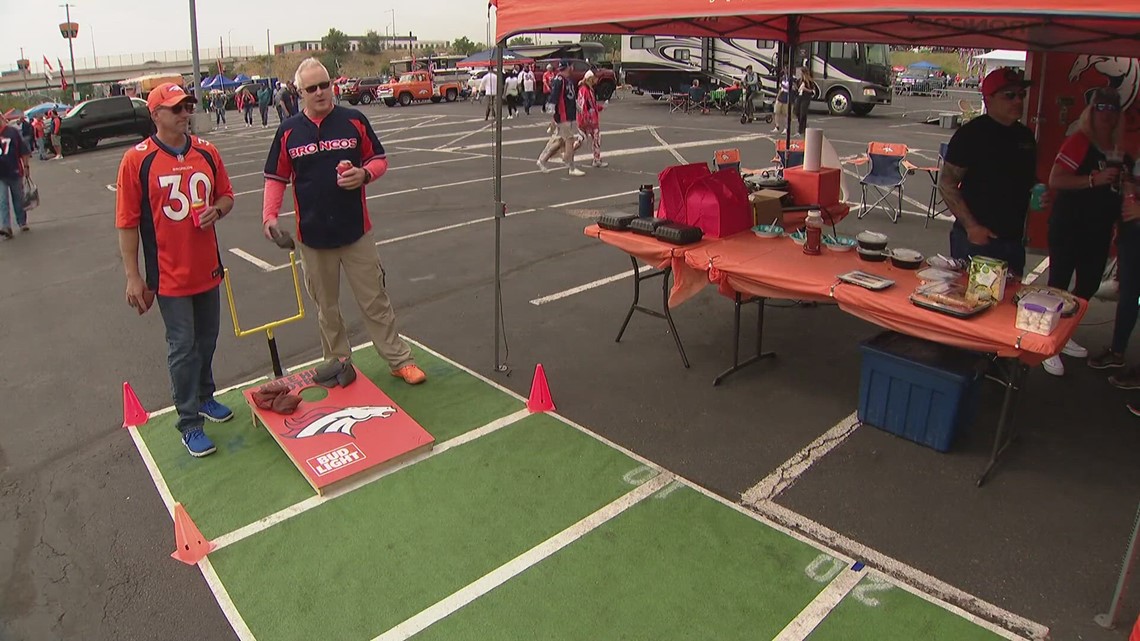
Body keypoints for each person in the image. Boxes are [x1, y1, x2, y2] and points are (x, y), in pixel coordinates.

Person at [261, 58, 426, 386]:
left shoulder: (353, 120)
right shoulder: (289, 131)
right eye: (312, 88)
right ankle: (337, 362)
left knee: (375, 300)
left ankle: (398, 359)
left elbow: (379, 159)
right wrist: (269, 216)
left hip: (355, 232)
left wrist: (365, 174)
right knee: (327, 308)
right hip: (313, 236)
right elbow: (276, 177)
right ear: (300, 92)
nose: (321, 92)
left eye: (325, 84)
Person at [115, 83, 236, 458]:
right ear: (155, 115)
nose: (184, 114)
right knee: (182, 346)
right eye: (175, 109)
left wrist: (218, 209)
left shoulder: (207, 151)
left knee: (208, 339)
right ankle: (189, 421)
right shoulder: (137, 160)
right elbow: (127, 221)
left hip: (207, 268)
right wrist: (133, 275)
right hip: (168, 275)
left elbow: (227, 195)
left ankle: (204, 395)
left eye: (187, 107)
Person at [1043, 87, 1131, 376]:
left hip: (1100, 228)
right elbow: (1056, 179)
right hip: (1070, 224)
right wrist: (1094, 179)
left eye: (1112, 110)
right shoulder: (1079, 141)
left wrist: (1119, 222)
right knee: (1058, 282)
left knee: (1089, 285)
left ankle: (1063, 332)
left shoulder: (1118, 149)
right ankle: (1046, 341)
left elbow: (1121, 191)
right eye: (1101, 109)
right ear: (1091, 113)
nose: (1107, 116)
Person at [939, 67, 1043, 281]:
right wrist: (972, 227)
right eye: (1009, 95)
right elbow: (947, 184)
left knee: (1006, 302)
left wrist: (1040, 191)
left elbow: (1027, 179)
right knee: (970, 298)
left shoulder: (1025, 136)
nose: (1018, 101)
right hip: (977, 240)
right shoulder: (971, 134)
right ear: (989, 99)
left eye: (1021, 95)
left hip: (1012, 240)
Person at [537, 61, 584, 177]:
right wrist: (552, 109)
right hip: (563, 115)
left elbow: (570, 96)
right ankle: (570, 164)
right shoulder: (559, 80)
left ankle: (542, 159)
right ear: (568, 67)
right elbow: (554, 95)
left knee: (560, 141)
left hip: (568, 114)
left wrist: (576, 106)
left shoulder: (568, 80)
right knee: (569, 139)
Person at [0, 115, 31, 238]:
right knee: (2, 201)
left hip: (14, 171)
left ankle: (22, 222)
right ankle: (6, 226)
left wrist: (26, 166)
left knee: (18, 199)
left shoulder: (12, 132)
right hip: (0, 175)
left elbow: (23, 150)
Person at [576, 70, 607, 168]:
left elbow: (592, 106)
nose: (595, 80)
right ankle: (569, 153)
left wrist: (601, 107)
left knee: (588, 139)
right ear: (590, 79)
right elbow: (582, 106)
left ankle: (596, 159)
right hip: (588, 120)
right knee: (590, 139)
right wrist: (585, 118)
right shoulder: (584, 90)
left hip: (589, 120)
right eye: (593, 78)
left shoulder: (588, 90)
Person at [794, 67, 816, 134]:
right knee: (797, 112)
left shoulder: (810, 82)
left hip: (806, 98)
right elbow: (797, 89)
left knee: (803, 113)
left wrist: (805, 89)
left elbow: (813, 92)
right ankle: (803, 126)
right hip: (799, 97)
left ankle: (801, 130)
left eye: (801, 72)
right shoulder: (799, 81)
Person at [773, 66, 791, 134]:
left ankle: (786, 128)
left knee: (785, 114)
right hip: (781, 95)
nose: (785, 70)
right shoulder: (783, 78)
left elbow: (793, 87)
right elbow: (781, 88)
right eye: (784, 69)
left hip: (787, 96)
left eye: (786, 69)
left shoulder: (791, 78)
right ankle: (777, 126)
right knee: (776, 112)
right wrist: (777, 97)